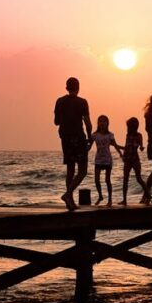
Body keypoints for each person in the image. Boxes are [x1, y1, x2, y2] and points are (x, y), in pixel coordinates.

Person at [54, 77, 92, 211]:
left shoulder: (59, 101)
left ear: (66, 88)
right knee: (82, 171)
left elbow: (56, 121)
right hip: (78, 137)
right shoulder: (82, 102)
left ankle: (69, 201)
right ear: (78, 88)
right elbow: (87, 123)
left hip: (65, 138)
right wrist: (90, 138)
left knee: (70, 170)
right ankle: (68, 195)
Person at [88, 115, 123, 207]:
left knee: (107, 180)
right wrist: (83, 152)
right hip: (98, 159)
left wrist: (121, 154)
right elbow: (89, 146)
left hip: (107, 159)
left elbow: (115, 145)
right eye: (100, 121)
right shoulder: (94, 135)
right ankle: (100, 196)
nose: (102, 123)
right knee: (96, 180)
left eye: (104, 121)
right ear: (98, 123)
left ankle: (110, 200)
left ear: (107, 123)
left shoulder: (110, 135)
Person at [119, 117, 150, 205]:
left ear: (134, 127)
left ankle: (148, 195)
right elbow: (126, 148)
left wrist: (141, 147)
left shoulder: (139, 135)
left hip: (135, 159)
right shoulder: (127, 135)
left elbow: (140, 147)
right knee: (125, 179)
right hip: (127, 160)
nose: (128, 128)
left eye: (129, 126)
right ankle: (124, 200)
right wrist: (117, 146)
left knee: (139, 178)